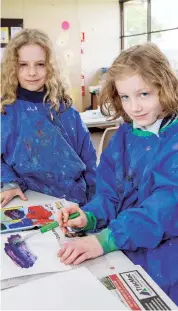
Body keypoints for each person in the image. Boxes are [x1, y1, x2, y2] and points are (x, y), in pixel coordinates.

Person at [57, 43, 178, 305]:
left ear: (165, 86)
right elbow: (110, 193)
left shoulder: (174, 141)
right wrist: (89, 217)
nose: (134, 107)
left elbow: (165, 209)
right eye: (125, 97)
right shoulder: (124, 136)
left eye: (144, 94)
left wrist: (107, 239)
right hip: (123, 244)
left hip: (167, 258)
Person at [1, 28, 96, 208]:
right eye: (23, 65)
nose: (32, 73)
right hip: (26, 199)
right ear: (12, 67)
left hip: (72, 199)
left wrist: (95, 203)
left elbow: (89, 160)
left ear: (50, 67)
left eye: (40, 64)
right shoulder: (5, 111)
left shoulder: (66, 110)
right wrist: (9, 182)